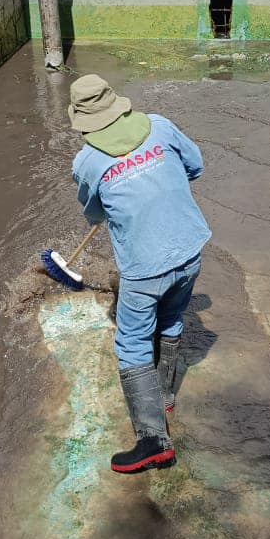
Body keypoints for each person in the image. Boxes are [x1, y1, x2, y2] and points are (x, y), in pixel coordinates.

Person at [69, 75, 210, 474]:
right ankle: (164, 395)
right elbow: (194, 166)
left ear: (82, 121)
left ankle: (153, 440)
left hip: (144, 268)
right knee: (171, 318)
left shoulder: (87, 162)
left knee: (131, 341)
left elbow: (94, 213)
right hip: (190, 249)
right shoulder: (160, 125)